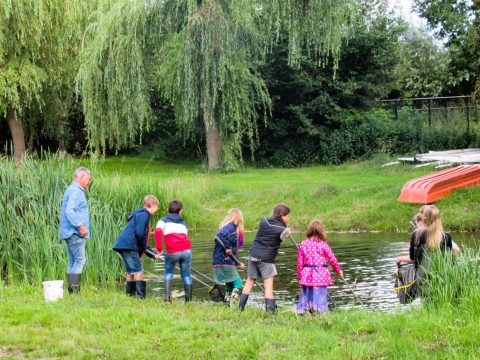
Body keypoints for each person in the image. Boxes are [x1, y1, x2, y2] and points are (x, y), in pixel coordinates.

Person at [239, 203, 291, 313]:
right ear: (282, 215)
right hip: (267, 259)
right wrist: (288, 233)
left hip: (253, 255)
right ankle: (270, 314)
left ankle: (240, 310)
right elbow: (283, 235)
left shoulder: (264, 221)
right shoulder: (283, 229)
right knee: (268, 287)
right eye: (288, 216)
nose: (289, 218)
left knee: (249, 282)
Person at [395, 204, 456, 293]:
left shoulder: (417, 235)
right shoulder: (446, 237)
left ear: (424, 218)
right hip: (443, 279)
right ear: (438, 219)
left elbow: (412, 259)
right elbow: (450, 261)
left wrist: (400, 258)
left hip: (423, 279)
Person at [112, 195, 161, 299]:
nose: (156, 210)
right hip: (129, 246)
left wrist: (151, 253)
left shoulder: (138, 214)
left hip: (122, 245)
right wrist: (147, 249)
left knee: (130, 271)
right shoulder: (145, 214)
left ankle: (130, 296)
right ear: (153, 205)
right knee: (138, 270)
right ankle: (141, 298)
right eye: (157, 207)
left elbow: (141, 240)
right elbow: (139, 234)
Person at [296, 220, 343, 314]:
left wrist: (299, 277)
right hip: (320, 274)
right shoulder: (323, 244)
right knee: (320, 294)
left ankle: (305, 311)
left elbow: (300, 262)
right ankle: (320, 312)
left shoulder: (303, 244)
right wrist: (338, 271)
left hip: (307, 274)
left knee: (307, 294)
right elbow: (332, 258)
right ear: (321, 231)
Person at [59, 167, 92, 294]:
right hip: (75, 232)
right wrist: (81, 226)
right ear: (82, 176)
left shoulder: (72, 190)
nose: (88, 182)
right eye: (88, 179)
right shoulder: (75, 191)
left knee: (73, 261)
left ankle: (71, 292)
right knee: (80, 260)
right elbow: (69, 211)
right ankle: (74, 291)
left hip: (69, 232)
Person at [155, 200, 193, 303]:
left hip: (172, 251)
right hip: (186, 250)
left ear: (168, 209)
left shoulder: (163, 220)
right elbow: (185, 236)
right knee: (186, 275)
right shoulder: (183, 222)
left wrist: (159, 249)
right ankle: (189, 301)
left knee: (168, 273)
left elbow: (158, 232)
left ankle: (167, 299)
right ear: (181, 211)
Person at [212, 208, 246, 306]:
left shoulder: (226, 227)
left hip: (219, 261)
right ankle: (234, 305)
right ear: (238, 217)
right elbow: (220, 235)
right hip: (224, 261)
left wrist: (238, 263)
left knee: (230, 285)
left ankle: (227, 305)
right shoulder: (231, 226)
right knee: (238, 283)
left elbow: (233, 252)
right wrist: (227, 247)